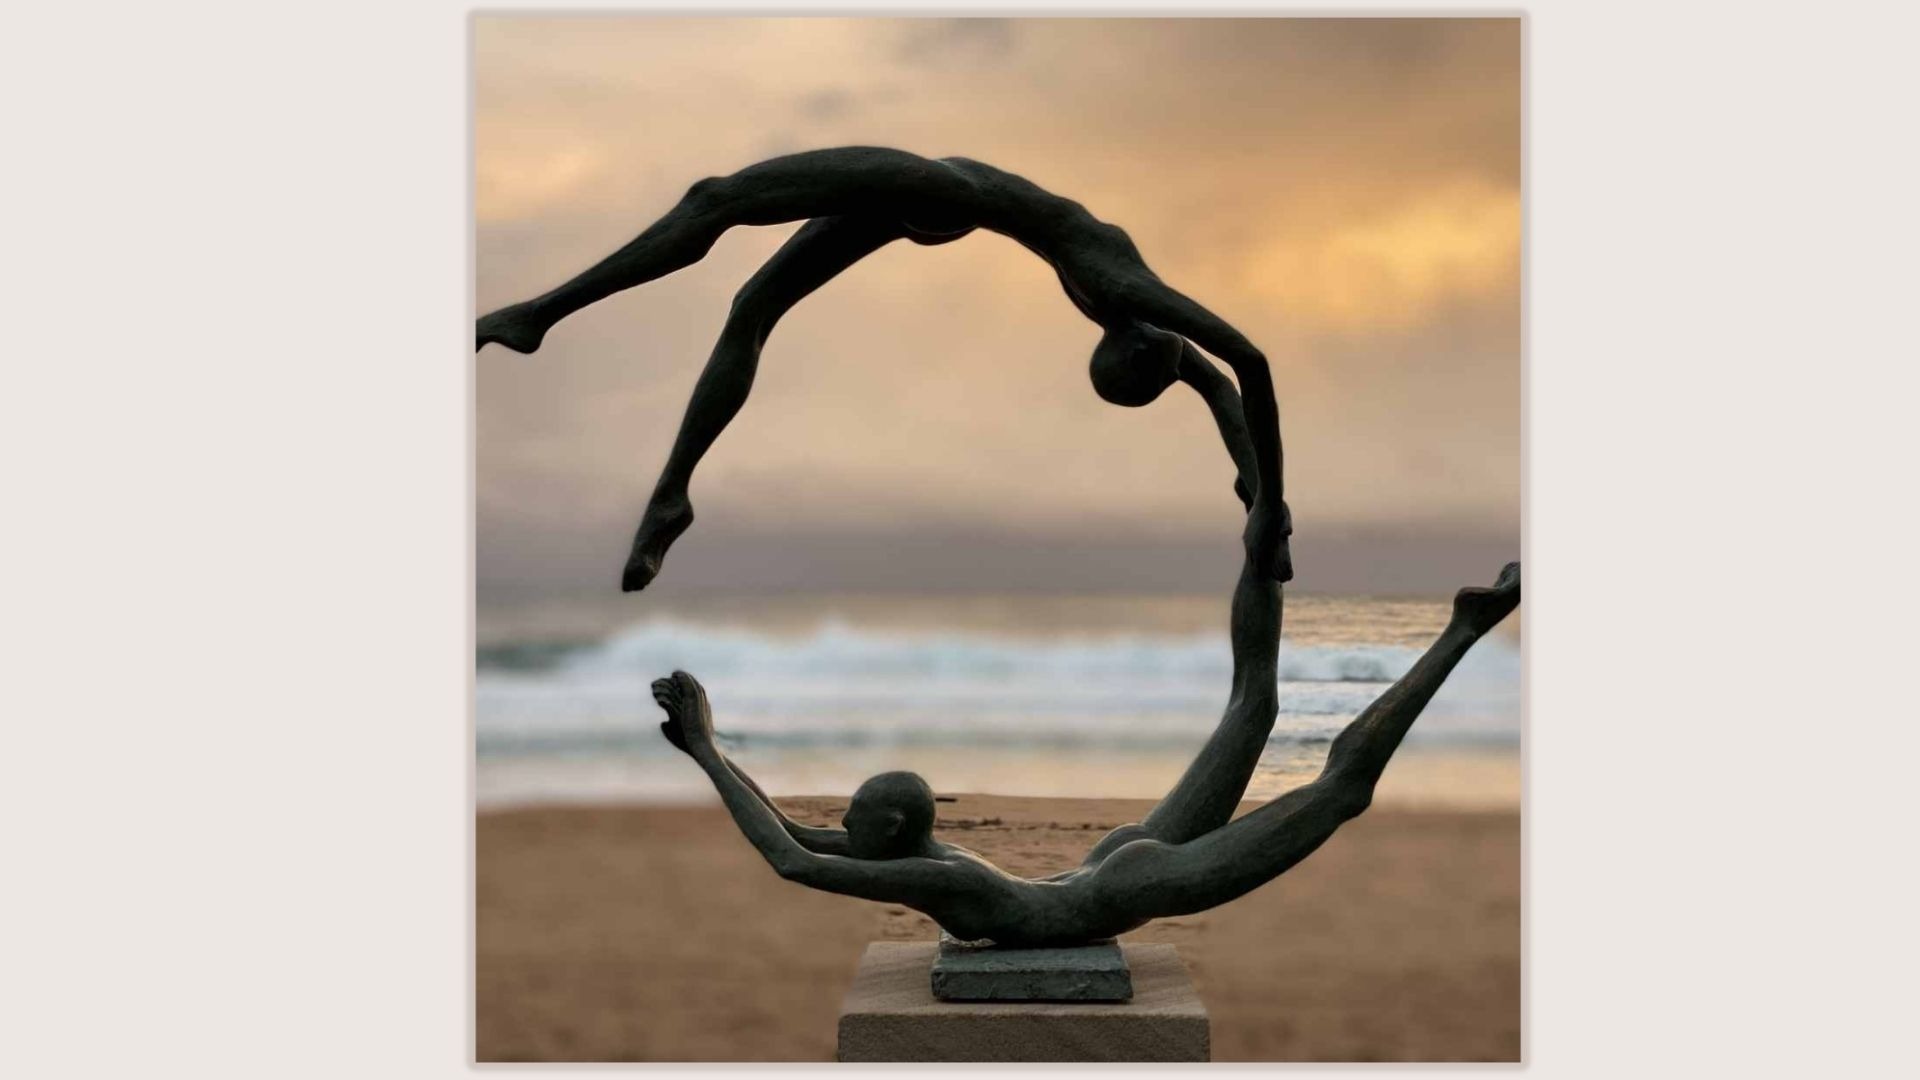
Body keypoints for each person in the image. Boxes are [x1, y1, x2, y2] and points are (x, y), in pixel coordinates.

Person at [474, 147, 1294, 591]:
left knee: (722, 217)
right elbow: (1247, 364)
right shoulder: (1126, 288)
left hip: (945, 196)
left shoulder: (1151, 332)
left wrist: (1259, 492)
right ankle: (555, 338)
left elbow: (1221, 387)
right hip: (939, 190)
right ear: (1138, 344)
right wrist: (1269, 503)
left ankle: (555, 343)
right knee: (728, 242)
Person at [650, 559, 1519, 948]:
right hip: (1108, 872)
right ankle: (1262, 553)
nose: (836, 822)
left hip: (1129, 883)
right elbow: (793, 831)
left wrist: (707, 749)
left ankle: (1457, 629)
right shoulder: (914, 854)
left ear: (887, 828)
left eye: (852, 816)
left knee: (1337, 788)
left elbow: (791, 862)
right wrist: (708, 750)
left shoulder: (935, 877)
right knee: (1251, 705)